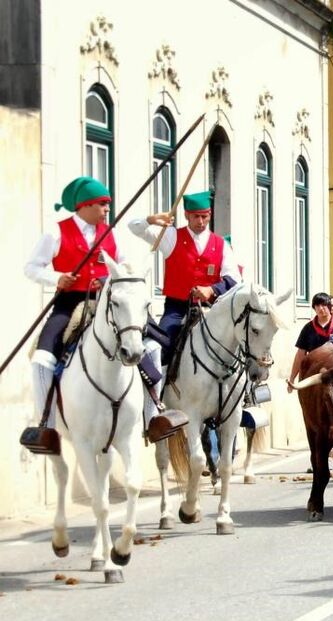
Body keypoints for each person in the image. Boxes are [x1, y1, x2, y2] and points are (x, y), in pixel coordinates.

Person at [22, 176, 179, 454]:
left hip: (110, 304)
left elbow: (123, 268)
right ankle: (47, 426)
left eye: (108, 204)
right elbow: (32, 268)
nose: (107, 209)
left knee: (154, 347)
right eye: (102, 204)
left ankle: (153, 415)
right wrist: (58, 278)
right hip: (70, 302)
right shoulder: (56, 233)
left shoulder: (111, 233)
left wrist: (112, 277)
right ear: (85, 205)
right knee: (41, 359)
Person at [129, 190, 241, 367]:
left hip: (211, 307)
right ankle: (157, 382)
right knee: (159, 348)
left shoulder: (222, 245)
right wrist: (151, 220)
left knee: (240, 345)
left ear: (210, 215)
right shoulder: (170, 236)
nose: (201, 221)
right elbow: (134, 227)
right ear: (186, 215)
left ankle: (247, 382)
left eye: (204, 216)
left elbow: (234, 280)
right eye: (196, 216)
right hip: (177, 308)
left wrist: (212, 289)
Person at [288, 292, 333, 391]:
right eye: (317, 305)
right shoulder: (308, 328)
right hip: (314, 376)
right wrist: (292, 378)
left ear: (329, 307)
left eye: (323, 305)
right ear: (314, 308)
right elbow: (300, 355)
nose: (320, 308)